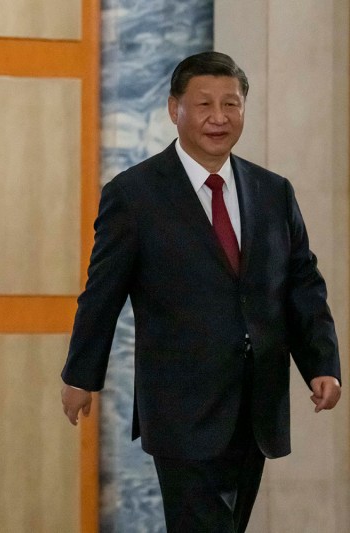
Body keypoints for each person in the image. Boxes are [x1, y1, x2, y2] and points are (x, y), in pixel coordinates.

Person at [60, 51, 341, 532]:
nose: (219, 117)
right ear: (175, 109)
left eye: (231, 104)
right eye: (204, 104)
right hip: (180, 407)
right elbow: (102, 292)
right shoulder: (135, 194)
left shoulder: (274, 192)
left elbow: (302, 285)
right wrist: (81, 375)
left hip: (257, 404)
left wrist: (321, 364)